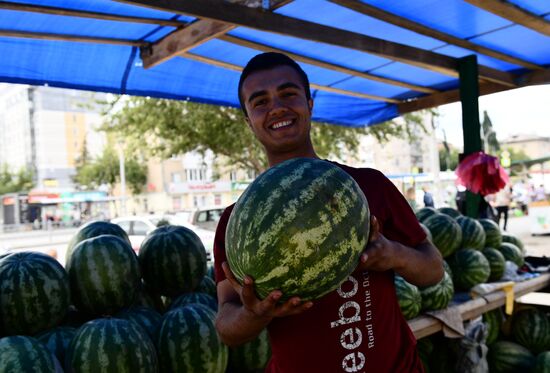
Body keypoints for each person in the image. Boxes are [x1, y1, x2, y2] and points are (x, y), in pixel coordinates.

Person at [213, 52, 444, 373]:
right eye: (260, 101)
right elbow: (226, 326)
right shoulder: (235, 223)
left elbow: (434, 269)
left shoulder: (368, 185)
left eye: (288, 94)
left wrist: (393, 254)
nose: (277, 107)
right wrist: (256, 313)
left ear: (309, 103)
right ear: (248, 119)